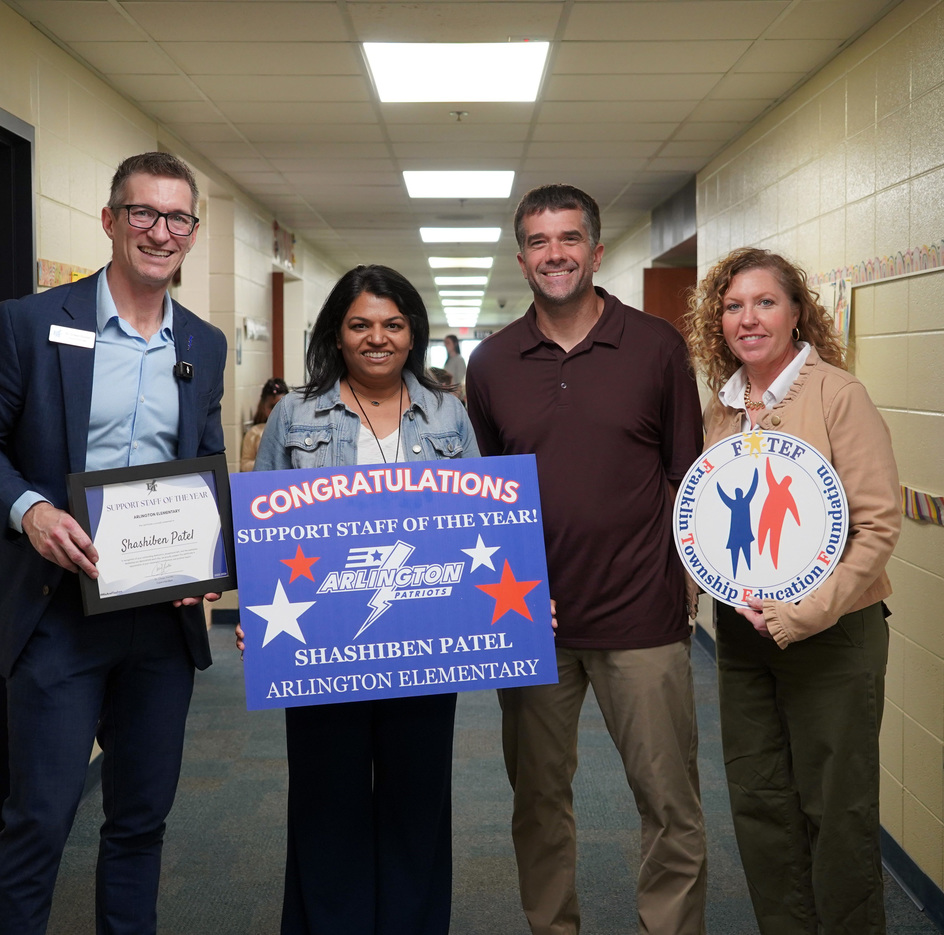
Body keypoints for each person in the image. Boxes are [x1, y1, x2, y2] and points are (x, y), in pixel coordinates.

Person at [0, 152, 227, 935]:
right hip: (55, 612)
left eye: (178, 218)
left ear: (192, 233)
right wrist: (29, 509)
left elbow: (206, 462)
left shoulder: (202, 343)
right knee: (39, 819)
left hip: (159, 619)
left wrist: (207, 559)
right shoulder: (32, 324)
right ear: (110, 220)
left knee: (140, 821)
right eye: (143, 213)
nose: (160, 231)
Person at [465, 184, 707, 935]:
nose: (555, 253)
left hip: (643, 615)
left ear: (596, 252)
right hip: (529, 616)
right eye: (539, 241)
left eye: (569, 238)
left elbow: (687, 475)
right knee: (537, 801)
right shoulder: (493, 362)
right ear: (521, 257)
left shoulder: (658, 348)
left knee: (669, 803)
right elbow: (479, 493)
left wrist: (680, 579)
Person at [236, 264, 477, 935]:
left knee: (417, 806)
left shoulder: (448, 414)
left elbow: (482, 524)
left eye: (393, 324)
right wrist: (259, 610)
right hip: (323, 650)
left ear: (413, 333)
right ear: (336, 335)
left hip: (426, 646)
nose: (378, 337)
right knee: (326, 804)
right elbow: (265, 531)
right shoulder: (296, 414)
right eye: (361, 324)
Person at [685, 247, 901, 934]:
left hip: (832, 634)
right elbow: (710, 519)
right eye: (732, 305)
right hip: (745, 637)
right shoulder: (721, 409)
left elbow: (877, 524)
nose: (747, 318)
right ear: (717, 320)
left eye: (765, 302)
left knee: (837, 812)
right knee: (759, 803)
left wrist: (802, 613)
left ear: (797, 312)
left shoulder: (839, 395)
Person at [240, 376, 288, 471]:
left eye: (281, 407)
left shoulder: (295, 432)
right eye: (272, 407)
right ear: (263, 407)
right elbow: (244, 465)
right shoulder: (254, 433)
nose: (276, 411)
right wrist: (268, 464)